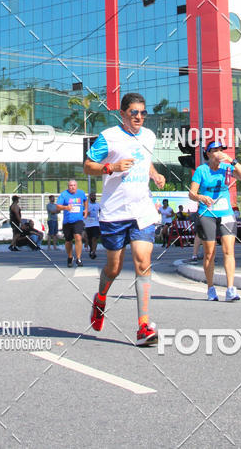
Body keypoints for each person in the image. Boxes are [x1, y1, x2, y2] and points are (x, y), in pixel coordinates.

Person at [84, 92, 166, 346]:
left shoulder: (149, 136)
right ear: (123, 114)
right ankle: (100, 298)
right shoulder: (108, 137)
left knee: (143, 261)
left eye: (143, 112)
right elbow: (88, 165)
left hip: (141, 211)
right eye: (134, 113)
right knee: (114, 268)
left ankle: (143, 326)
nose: (139, 117)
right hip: (114, 213)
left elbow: (145, 160)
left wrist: (154, 174)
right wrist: (111, 167)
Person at [189, 140, 241, 302]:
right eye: (214, 150)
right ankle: (210, 288)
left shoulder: (227, 169)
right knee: (210, 253)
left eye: (220, 150)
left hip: (226, 213)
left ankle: (230, 289)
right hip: (207, 213)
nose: (218, 153)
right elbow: (191, 193)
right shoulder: (202, 170)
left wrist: (232, 161)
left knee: (228, 250)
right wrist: (200, 197)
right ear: (208, 154)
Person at [57, 179, 88, 267]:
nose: (72, 187)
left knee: (78, 237)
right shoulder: (64, 194)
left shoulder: (81, 193)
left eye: (74, 185)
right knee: (68, 241)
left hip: (78, 220)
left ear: (76, 186)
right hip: (67, 221)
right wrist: (66, 207)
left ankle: (78, 258)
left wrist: (86, 209)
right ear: (68, 187)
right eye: (71, 185)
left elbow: (85, 200)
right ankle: (70, 257)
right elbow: (58, 206)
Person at [84, 192, 101, 259]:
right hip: (88, 224)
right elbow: (83, 213)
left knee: (95, 238)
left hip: (96, 224)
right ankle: (91, 249)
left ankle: (93, 251)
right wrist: (86, 213)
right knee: (89, 239)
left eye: (94, 196)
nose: (93, 197)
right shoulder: (87, 205)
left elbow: (101, 212)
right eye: (92, 196)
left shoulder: (98, 205)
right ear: (90, 197)